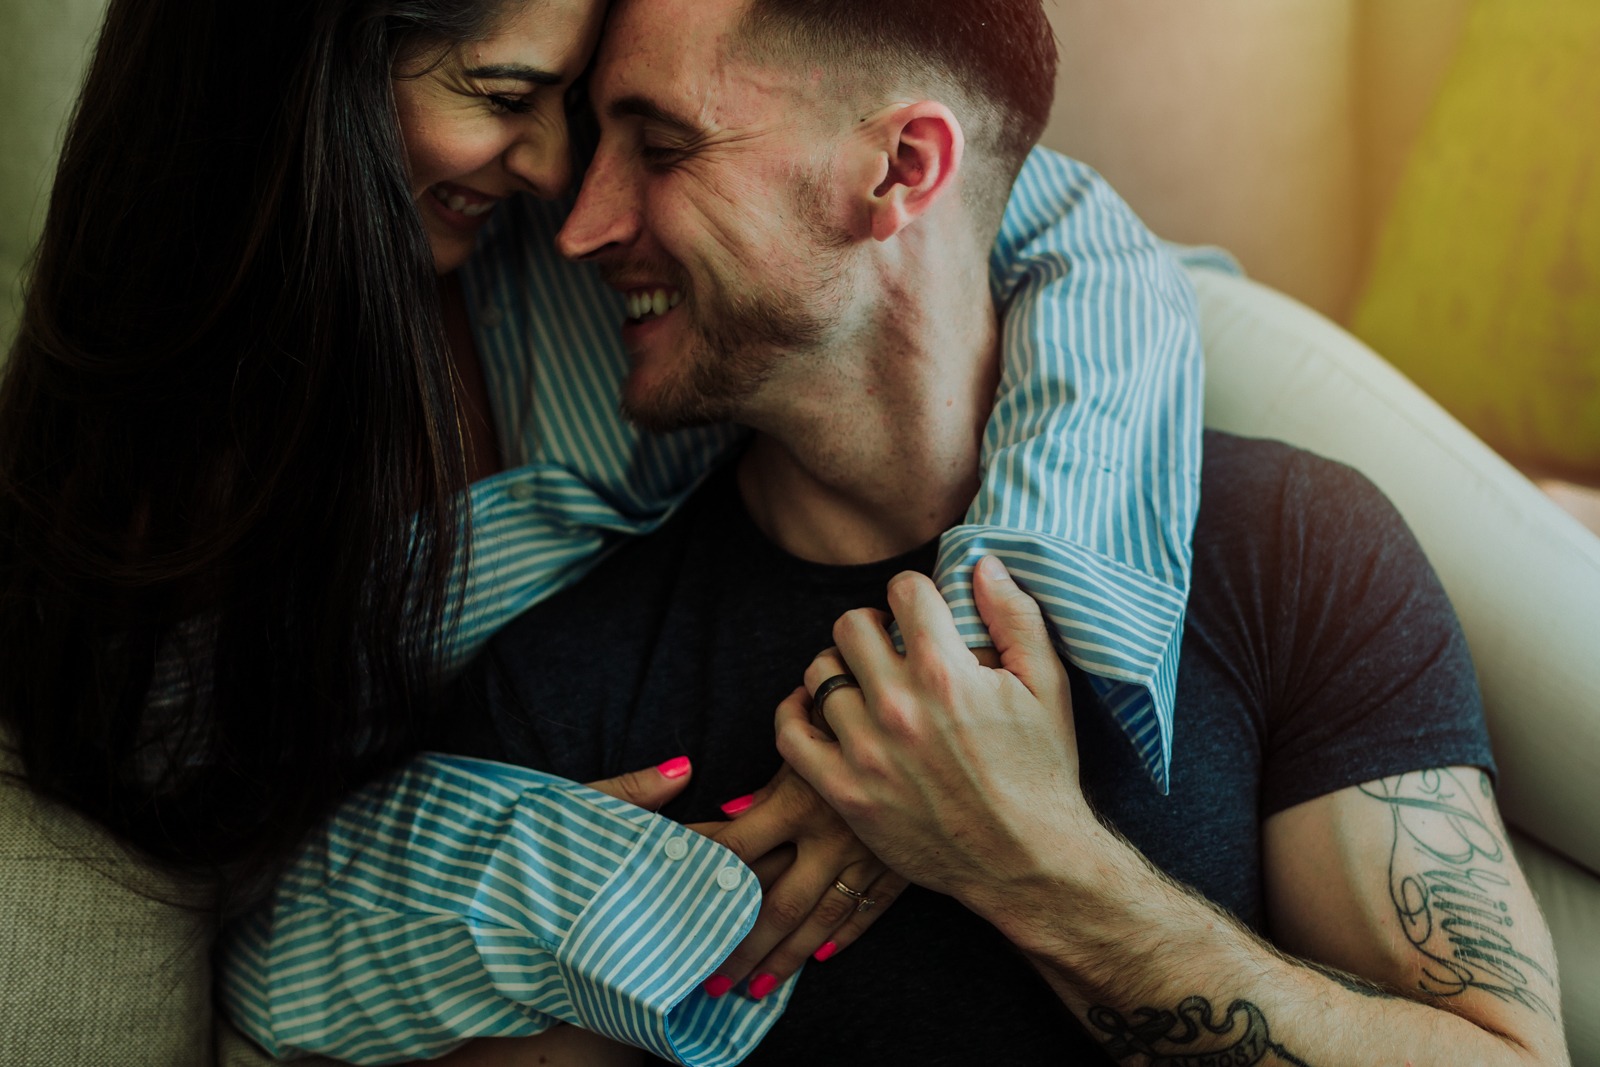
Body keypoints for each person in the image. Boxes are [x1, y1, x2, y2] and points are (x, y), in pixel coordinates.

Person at [219, 0, 1570, 1064]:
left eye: (665, 145)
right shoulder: (567, 702)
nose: (577, 221)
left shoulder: (1292, 541)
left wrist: (1032, 855)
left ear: (900, 168)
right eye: (577, 130)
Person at [0, 0, 1207, 1050]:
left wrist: (940, 685)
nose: (559, 177)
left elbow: (1071, 230)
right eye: (506, 93)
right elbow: (260, 907)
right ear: (305, 75)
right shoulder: (152, 545)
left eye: (571, 100)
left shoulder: (614, 248)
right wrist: (585, 883)